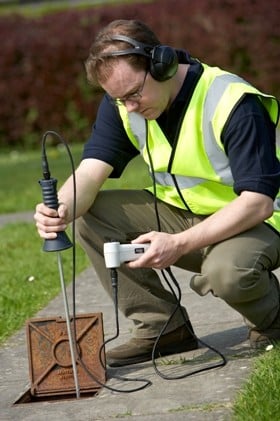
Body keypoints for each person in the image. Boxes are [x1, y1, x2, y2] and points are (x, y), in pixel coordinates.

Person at [34, 19, 280, 368]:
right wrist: (58, 208)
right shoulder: (123, 103)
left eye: (134, 93)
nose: (129, 107)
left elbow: (258, 202)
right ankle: (163, 329)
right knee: (92, 215)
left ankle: (273, 324)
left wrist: (179, 243)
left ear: (161, 64)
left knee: (227, 272)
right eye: (119, 98)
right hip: (185, 212)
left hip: (259, 221)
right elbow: (90, 171)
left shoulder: (232, 101)